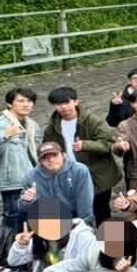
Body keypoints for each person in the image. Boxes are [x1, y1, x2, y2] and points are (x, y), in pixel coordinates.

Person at [44, 87, 119, 224]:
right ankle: (82, 242)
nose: (63, 107)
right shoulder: (53, 126)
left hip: (97, 175)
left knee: (101, 212)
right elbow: (47, 148)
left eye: (67, 102)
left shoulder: (92, 121)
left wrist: (86, 145)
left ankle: (109, 244)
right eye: (58, 104)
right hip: (69, 175)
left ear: (76, 102)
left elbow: (108, 144)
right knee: (77, 214)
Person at [0, 87, 40, 232]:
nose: (26, 104)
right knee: (13, 217)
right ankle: (9, 249)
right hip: (12, 181)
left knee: (31, 216)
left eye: (29, 101)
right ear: (9, 104)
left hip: (31, 178)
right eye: (21, 101)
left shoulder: (32, 125)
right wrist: (4, 135)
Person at [22, 142, 96, 227]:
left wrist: (84, 227)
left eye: (55, 155)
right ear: (40, 161)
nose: (51, 160)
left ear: (63, 155)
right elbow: (23, 209)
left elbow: (85, 204)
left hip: (75, 216)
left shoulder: (80, 171)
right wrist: (28, 201)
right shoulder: (30, 177)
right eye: (45, 158)